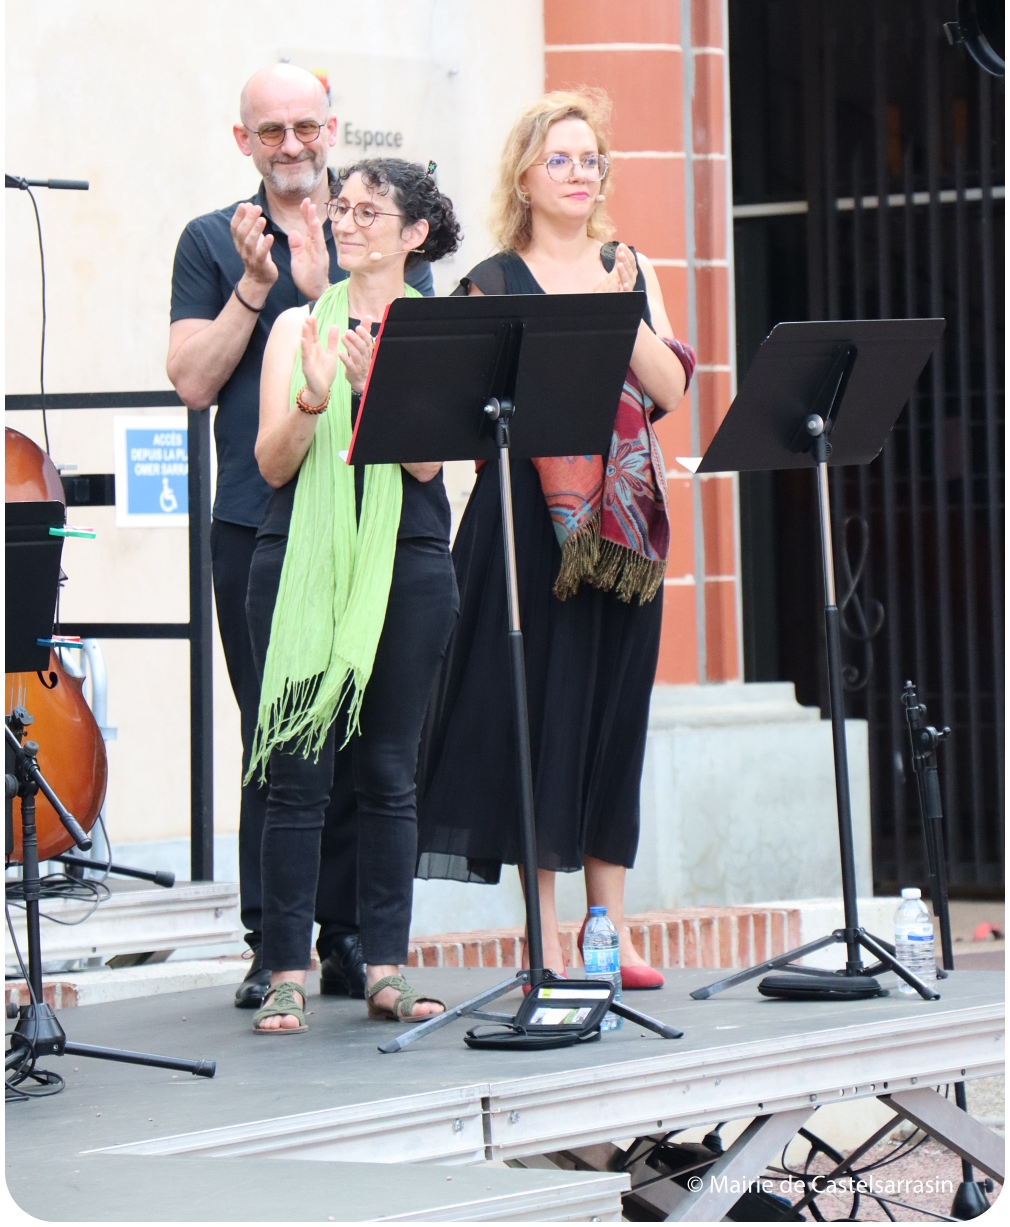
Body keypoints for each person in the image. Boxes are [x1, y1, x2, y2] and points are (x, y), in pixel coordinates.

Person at [167, 64, 434, 1009]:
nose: (291, 145)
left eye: (305, 127)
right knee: (278, 736)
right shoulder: (213, 239)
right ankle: (270, 945)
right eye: (270, 131)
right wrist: (257, 291)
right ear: (245, 142)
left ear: (331, 128)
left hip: (383, 531)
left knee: (374, 743)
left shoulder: (386, 236)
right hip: (261, 520)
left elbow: (428, 425)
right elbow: (193, 381)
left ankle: (354, 939)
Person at [416, 89, 695, 988]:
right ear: (526, 179)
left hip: (620, 529)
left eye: (592, 160)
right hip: (520, 530)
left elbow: (669, 388)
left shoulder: (628, 267)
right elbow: (455, 415)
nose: (582, 174)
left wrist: (624, 314)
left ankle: (610, 929)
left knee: (614, 715)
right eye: (562, 160)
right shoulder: (491, 284)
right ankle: (545, 937)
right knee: (537, 714)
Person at [245, 157, 461, 1032]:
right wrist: (316, 392)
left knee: (388, 774)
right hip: (296, 556)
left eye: (371, 211)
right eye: (344, 207)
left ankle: (385, 967)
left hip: (407, 559)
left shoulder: (435, 330)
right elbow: (271, 463)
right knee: (297, 776)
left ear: (413, 234)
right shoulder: (298, 322)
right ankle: (286, 968)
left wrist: (376, 392)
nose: (349, 221)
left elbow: (427, 464)